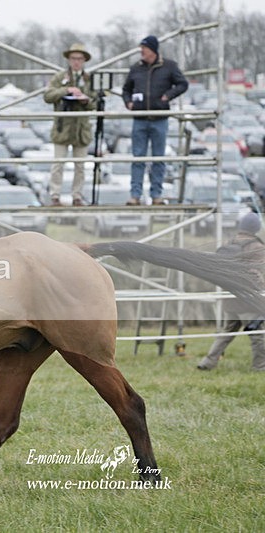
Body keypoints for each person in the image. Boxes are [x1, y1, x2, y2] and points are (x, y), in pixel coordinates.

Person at [122, 35, 188, 206]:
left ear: (153, 50)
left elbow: (182, 84)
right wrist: (128, 102)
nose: (141, 52)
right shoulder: (136, 68)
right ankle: (135, 195)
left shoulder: (169, 66)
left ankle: (156, 195)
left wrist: (168, 96)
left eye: (144, 48)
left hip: (160, 119)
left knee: (158, 158)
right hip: (140, 119)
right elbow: (126, 89)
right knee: (138, 158)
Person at [197, 212, 265, 371]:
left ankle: (207, 362)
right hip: (248, 302)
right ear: (256, 227)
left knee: (226, 333)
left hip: (229, 299)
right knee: (258, 336)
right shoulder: (257, 247)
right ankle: (260, 367)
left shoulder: (229, 243)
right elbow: (260, 273)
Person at [43, 43, 97, 207]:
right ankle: (55, 195)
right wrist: (66, 91)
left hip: (81, 129)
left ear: (84, 61)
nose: (76, 62)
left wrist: (85, 98)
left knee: (80, 166)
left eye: (79, 59)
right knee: (58, 163)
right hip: (62, 127)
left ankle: (77, 196)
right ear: (69, 59)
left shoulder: (88, 79)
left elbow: (96, 101)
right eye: (73, 58)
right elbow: (48, 95)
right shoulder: (60, 77)